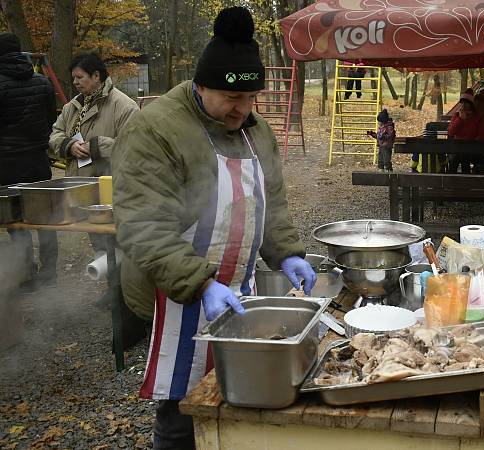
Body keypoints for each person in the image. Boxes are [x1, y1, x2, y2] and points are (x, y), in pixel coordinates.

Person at [112, 7, 317, 449]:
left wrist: (286, 252)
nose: (242, 111)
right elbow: (142, 225)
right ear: (200, 85)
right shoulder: (156, 129)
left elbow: (271, 200)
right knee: (183, 406)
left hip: (235, 288)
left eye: (250, 100)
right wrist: (201, 285)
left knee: (236, 395)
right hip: (174, 290)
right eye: (231, 99)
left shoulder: (254, 130)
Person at [49, 51, 138, 255]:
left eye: (80, 77)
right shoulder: (72, 107)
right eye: (74, 78)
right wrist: (68, 145)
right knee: (98, 244)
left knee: (119, 246)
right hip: (83, 188)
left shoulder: (124, 106)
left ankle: (121, 284)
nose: (75, 82)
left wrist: (99, 146)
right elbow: (55, 135)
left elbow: (136, 147)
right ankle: (110, 282)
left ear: (96, 76)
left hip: (113, 190)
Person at [0, 32, 58, 292]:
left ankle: (27, 271)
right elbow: (49, 120)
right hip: (38, 160)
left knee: (16, 220)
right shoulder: (43, 82)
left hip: (6, 164)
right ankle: (50, 272)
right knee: (44, 217)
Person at [446, 92, 484, 174]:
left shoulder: (477, 118)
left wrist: (472, 145)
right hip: (457, 146)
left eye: (466, 103)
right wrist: (460, 119)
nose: (464, 105)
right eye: (462, 103)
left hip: (472, 147)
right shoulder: (457, 116)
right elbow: (451, 132)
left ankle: (466, 180)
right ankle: (450, 180)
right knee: (456, 157)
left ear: (471, 104)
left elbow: (481, 135)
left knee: (465, 156)